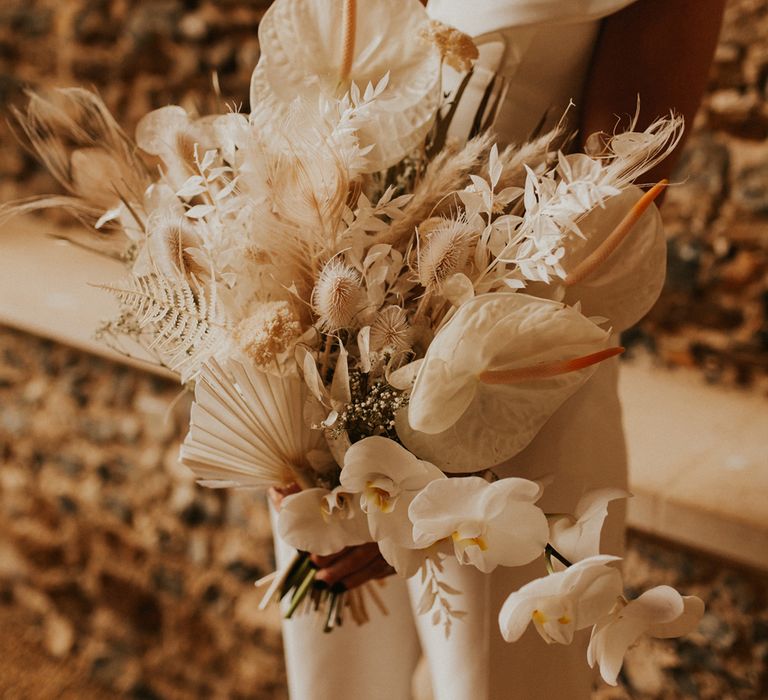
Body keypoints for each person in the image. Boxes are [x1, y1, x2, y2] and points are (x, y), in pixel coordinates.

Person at [271, 1, 726, 698]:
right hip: (325, 377)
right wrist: (281, 376)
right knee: (338, 684)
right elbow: (292, 112)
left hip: (514, 397)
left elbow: (610, 211)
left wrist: (403, 463)